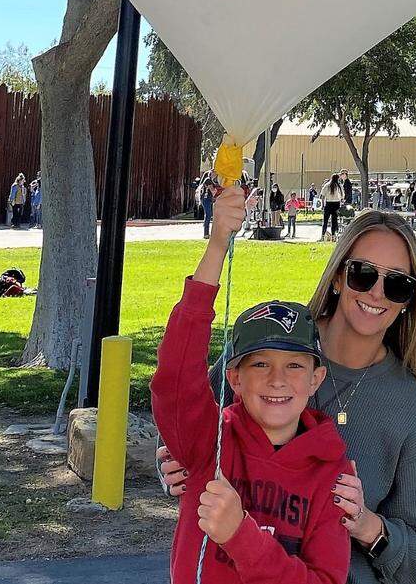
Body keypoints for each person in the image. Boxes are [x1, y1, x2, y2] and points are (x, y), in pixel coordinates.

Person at [160, 195, 416, 584]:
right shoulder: (273, 339)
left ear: (409, 300)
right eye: (362, 274)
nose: (377, 293)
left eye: (397, 284)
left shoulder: (413, 408)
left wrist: (366, 524)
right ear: (337, 276)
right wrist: (171, 464)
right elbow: (181, 404)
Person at [153, 189, 351, 583]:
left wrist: (239, 536)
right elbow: (176, 374)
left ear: (316, 379)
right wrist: (217, 245)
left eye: (294, 365)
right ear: (234, 378)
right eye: (259, 363)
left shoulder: (333, 475)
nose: (277, 379)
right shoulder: (209, 442)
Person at [321, 174, 345, 241]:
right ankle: (333, 236)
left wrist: (323, 205)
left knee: (325, 221)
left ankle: (323, 235)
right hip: (336, 204)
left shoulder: (327, 185)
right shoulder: (339, 186)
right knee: (334, 221)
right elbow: (342, 196)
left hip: (328, 203)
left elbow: (322, 196)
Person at [200, 171, 217, 239]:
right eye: (214, 173)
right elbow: (212, 190)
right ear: (211, 173)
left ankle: (208, 233)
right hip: (206, 199)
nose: (216, 174)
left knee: (210, 215)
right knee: (208, 215)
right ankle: (206, 234)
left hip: (209, 199)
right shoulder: (208, 180)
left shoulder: (212, 181)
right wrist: (215, 192)